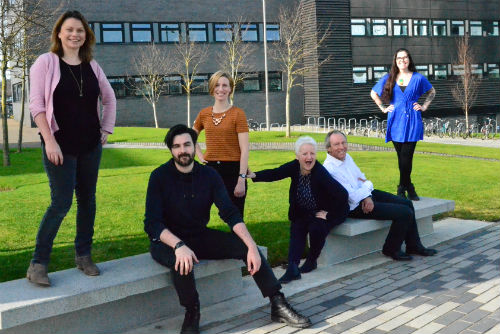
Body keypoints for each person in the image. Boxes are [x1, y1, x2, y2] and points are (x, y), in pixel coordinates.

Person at [144, 125, 311, 334]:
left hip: (198, 236)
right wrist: (178, 245)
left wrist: (250, 246)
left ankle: (278, 303)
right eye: (177, 146)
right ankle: (192, 313)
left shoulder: (209, 175)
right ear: (171, 150)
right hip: (166, 241)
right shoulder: (159, 177)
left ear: (195, 146)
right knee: (182, 261)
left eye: (187, 144)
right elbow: (152, 223)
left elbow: (229, 212)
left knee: (246, 246)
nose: (183, 150)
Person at [27, 10, 116, 286]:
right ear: (59, 33)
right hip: (60, 147)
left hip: (90, 145)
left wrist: (105, 129)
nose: (75, 34)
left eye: (80, 30)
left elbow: (110, 98)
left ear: (86, 35)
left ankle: (83, 255)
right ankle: (38, 263)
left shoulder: (92, 65)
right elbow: (37, 107)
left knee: (87, 201)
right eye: (69, 30)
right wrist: (50, 141)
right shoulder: (46, 62)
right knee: (61, 202)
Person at [323, 130, 437, 261]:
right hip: (353, 207)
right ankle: (391, 249)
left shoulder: (346, 158)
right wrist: (365, 192)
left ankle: (414, 245)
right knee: (404, 213)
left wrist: (367, 195)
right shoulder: (330, 169)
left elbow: (363, 179)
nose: (342, 147)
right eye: (337, 144)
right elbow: (351, 196)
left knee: (406, 203)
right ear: (329, 148)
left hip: (365, 196)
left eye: (344, 142)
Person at [248, 137, 349, 283]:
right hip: (303, 212)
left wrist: (330, 215)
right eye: (305, 154)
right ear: (297, 156)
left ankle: (312, 260)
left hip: (325, 212)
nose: (309, 157)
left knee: (316, 227)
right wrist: (255, 175)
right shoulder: (295, 166)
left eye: (312, 154)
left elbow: (342, 195)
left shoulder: (320, 172)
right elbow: (276, 173)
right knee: (297, 227)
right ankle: (292, 268)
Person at [370, 48, 436, 200]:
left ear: (409, 59)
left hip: (413, 120)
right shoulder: (389, 77)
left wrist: (424, 106)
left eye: (405, 57)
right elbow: (373, 93)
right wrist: (383, 108)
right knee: (401, 157)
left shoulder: (418, 78)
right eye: (399, 58)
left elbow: (432, 91)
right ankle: (409, 186)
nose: (402, 60)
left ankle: (402, 188)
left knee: (407, 156)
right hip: (396, 121)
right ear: (395, 61)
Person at [193, 71, 249, 215]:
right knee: (198, 212)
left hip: (233, 171)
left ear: (230, 89)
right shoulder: (204, 114)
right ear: (212, 88)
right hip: (210, 170)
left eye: (225, 85)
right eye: (217, 85)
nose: (221, 89)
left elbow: (245, 150)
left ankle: (238, 239)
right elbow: (190, 137)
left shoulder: (238, 114)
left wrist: (241, 179)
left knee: (234, 215)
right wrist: (200, 155)